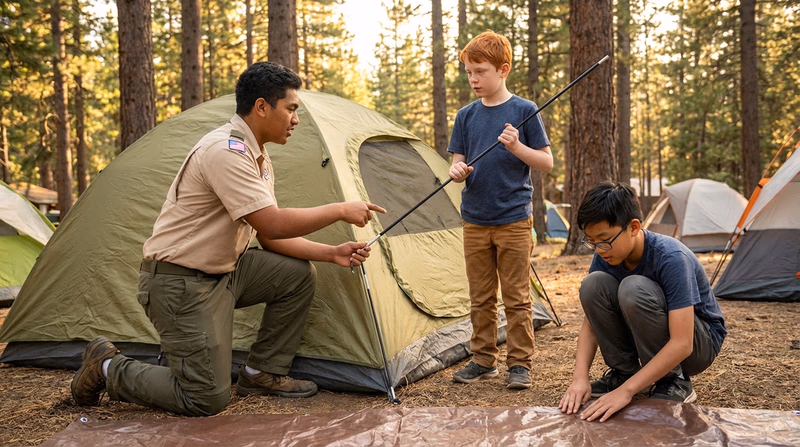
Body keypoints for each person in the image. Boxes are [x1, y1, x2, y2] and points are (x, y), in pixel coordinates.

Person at [70, 61, 386, 417]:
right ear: (262, 106)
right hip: (180, 283)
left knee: (295, 275)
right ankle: (108, 367)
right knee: (204, 398)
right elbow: (274, 222)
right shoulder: (226, 151)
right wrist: (341, 209)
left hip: (224, 272)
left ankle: (260, 372)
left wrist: (333, 253)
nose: (296, 119)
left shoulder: (259, 157)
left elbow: (267, 236)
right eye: (291, 109)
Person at [558, 182, 727, 422]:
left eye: (604, 240)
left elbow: (683, 343)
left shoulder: (670, 257)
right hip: (660, 336)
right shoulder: (607, 255)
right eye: (591, 241)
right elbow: (591, 325)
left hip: (698, 344)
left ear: (633, 227)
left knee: (633, 288)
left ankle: (674, 380)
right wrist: (579, 379)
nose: (598, 250)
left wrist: (625, 394)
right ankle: (624, 373)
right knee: (592, 284)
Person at [448, 30, 553, 390]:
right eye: (468, 72)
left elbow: (545, 162)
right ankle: (483, 359)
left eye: (480, 71)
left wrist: (517, 147)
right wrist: (456, 170)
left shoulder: (523, 111)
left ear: (503, 69)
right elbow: (457, 160)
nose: (473, 79)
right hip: (474, 220)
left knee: (517, 297)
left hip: (513, 220)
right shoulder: (465, 115)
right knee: (480, 297)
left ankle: (520, 364)